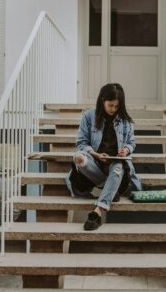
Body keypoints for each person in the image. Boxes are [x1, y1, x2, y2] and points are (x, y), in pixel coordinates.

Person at [65, 83, 142, 231]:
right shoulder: (89, 116)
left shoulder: (125, 121)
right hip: (95, 165)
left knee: (118, 166)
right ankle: (111, 188)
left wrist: (125, 150)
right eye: (110, 105)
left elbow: (132, 143)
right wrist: (95, 154)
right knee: (79, 157)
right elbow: (81, 143)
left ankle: (97, 212)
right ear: (102, 100)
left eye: (117, 106)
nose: (113, 109)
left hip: (115, 166)